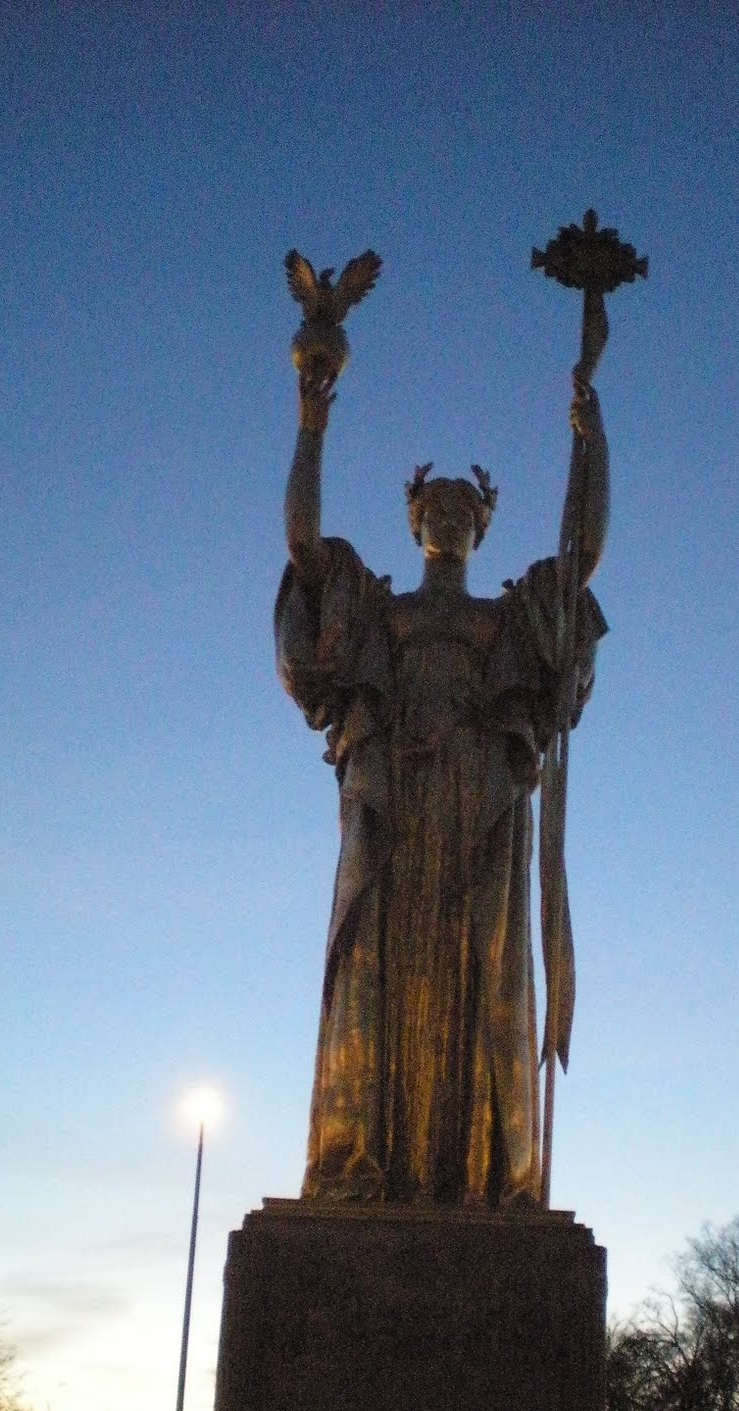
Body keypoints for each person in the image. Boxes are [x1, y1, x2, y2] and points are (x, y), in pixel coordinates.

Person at [275, 359, 608, 1205]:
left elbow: (582, 561)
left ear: (481, 530)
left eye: (466, 513)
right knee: (381, 973)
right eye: (437, 511)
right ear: (416, 521)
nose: (451, 522)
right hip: (398, 807)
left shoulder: (506, 618)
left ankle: (482, 1171)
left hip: (482, 806)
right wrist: (310, 431)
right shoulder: (380, 612)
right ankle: (364, 1160)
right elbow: (305, 553)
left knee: (478, 978)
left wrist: (592, 436)